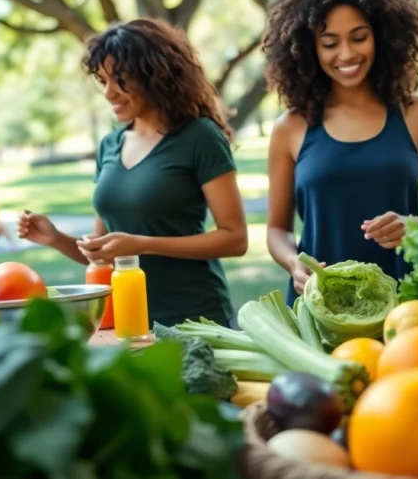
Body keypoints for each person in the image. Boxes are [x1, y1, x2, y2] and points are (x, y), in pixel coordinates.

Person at [17, 18, 248, 327]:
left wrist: (144, 244)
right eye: (102, 81)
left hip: (195, 318)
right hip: (127, 320)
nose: (109, 93)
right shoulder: (109, 145)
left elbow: (235, 239)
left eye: (121, 79)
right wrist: (56, 238)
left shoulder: (200, 137)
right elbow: (104, 250)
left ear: (155, 74)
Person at [261, 0, 418, 306]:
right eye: (330, 43)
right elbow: (277, 230)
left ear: (382, 37)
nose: (347, 54)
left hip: (407, 305)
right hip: (321, 307)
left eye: (359, 37)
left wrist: (414, 225)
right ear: (309, 49)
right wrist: (293, 262)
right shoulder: (290, 128)